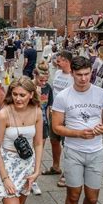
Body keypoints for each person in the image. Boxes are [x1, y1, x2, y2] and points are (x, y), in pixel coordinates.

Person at [52, 56, 103, 204]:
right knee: (73, 195)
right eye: (79, 75)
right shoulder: (62, 97)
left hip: (96, 152)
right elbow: (56, 127)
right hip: (73, 151)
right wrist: (78, 133)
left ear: (91, 72)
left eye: (87, 74)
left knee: (92, 198)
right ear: (72, 73)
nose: (84, 78)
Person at [0, 77, 43, 204]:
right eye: (15, 94)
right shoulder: (3, 114)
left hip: (27, 165)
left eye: (22, 95)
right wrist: (5, 178)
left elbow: (38, 143)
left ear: (31, 95)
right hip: (7, 166)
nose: (18, 98)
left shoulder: (37, 112)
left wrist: (36, 171)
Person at [42, 50, 74, 187]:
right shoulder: (57, 73)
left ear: (66, 61)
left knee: (67, 144)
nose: (56, 62)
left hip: (67, 115)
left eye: (59, 60)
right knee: (54, 140)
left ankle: (68, 173)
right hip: (54, 112)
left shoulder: (73, 76)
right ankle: (56, 167)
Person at [31, 60, 53, 196]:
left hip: (42, 124)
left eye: (46, 80)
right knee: (27, 153)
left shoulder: (48, 88)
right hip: (28, 124)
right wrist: (36, 95)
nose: (43, 83)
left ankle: (34, 181)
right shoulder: (28, 87)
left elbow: (48, 107)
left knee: (38, 154)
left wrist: (48, 124)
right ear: (35, 76)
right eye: (41, 80)